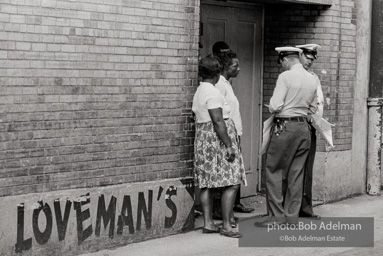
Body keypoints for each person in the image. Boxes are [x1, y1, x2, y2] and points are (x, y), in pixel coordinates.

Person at [255, 47, 318, 227]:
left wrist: (275, 107)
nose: (281, 66)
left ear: (284, 59)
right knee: (297, 174)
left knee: (274, 170)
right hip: (303, 128)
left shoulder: (285, 77)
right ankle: (292, 218)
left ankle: (276, 218)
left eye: (281, 63)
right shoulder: (312, 79)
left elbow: (275, 105)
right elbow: (313, 108)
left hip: (285, 126)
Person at [192, 55, 247, 238]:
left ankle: (208, 223)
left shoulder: (200, 90)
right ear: (216, 73)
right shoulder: (214, 92)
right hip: (216, 140)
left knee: (207, 182)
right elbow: (218, 121)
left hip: (203, 139)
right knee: (232, 181)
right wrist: (229, 145)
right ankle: (226, 226)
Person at [211, 42, 255, 218]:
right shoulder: (220, 85)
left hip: (234, 133)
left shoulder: (227, 83)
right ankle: (220, 212)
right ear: (225, 67)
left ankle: (225, 210)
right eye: (235, 66)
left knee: (231, 175)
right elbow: (218, 113)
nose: (239, 69)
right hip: (228, 135)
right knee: (226, 175)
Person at [295, 44, 324, 219]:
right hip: (299, 125)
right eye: (308, 58)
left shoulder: (313, 77)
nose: (310, 62)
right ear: (299, 56)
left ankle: (305, 207)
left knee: (307, 170)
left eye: (313, 59)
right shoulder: (293, 77)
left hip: (312, 126)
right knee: (295, 169)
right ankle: (293, 207)